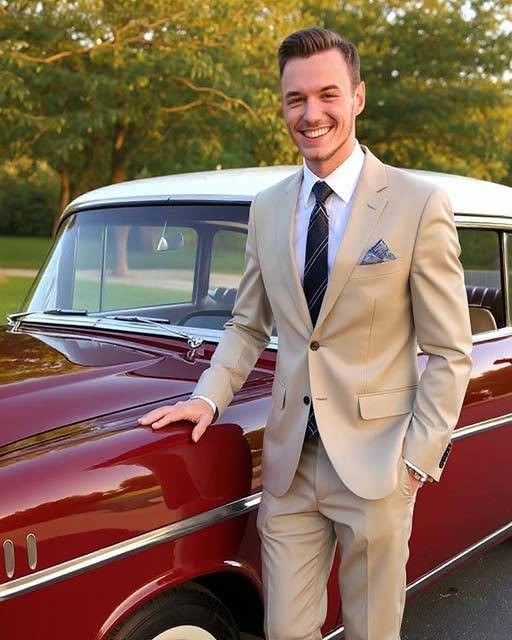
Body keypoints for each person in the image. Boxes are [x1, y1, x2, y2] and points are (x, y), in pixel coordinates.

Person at [139, 27, 473, 640]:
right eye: (296, 99)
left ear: (358, 97)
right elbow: (247, 324)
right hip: (289, 465)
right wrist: (208, 397)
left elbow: (450, 350)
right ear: (283, 105)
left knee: (373, 631)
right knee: (286, 631)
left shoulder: (418, 203)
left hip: (379, 465)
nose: (311, 113)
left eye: (327, 95)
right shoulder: (267, 207)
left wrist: (415, 463)